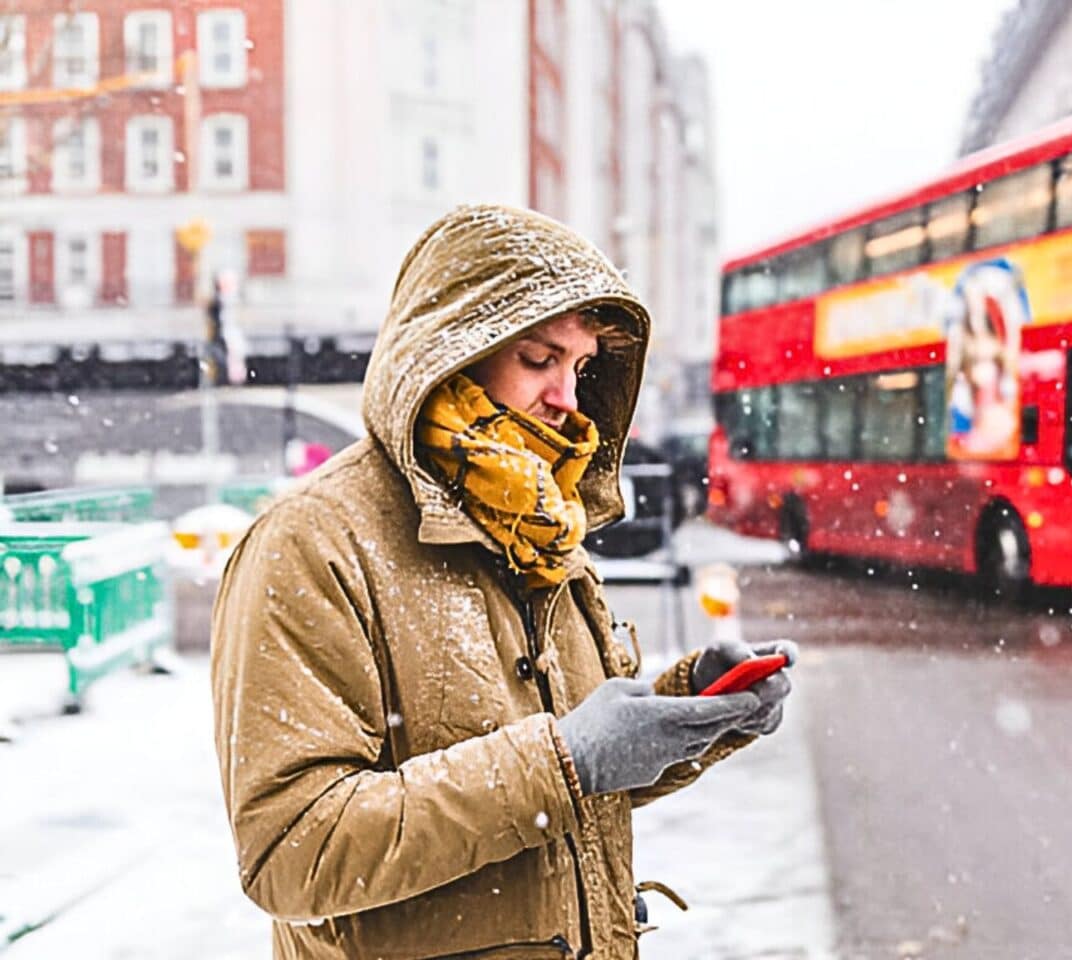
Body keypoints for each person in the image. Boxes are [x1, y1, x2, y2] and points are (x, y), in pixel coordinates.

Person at [210, 204, 796, 959]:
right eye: (538, 358)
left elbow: (575, 784)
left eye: (580, 368)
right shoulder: (312, 543)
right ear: (450, 353)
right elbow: (291, 850)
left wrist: (691, 709)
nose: (568, 398)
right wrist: (565, 760)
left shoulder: (542, 530)